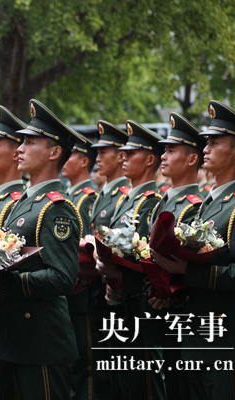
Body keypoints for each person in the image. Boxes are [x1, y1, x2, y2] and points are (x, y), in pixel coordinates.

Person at [0, 99, 84, 400]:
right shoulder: (18, 205)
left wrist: (1, 280)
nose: (19, 148)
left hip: (40, 341)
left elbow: (62, 278)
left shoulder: (57, 208)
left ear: (55, 152)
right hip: (8, 337)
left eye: (30, 142)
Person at [152, 100, 235, 400]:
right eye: (206, 143)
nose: (206, 149)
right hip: (197, 335)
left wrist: (188, 271)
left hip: (229, 337)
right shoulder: (205, 206)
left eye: (214, 142)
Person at [96, 120, 165, 400]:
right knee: (125, 382)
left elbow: (149, 255)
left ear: (150, 160)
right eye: (122, 152)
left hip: (141, 303)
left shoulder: (150, 200)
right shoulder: (126, 198)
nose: (122, 157)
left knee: (144, 384)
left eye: (131, 153)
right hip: (122, 301)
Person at [146, 112, 206, 400]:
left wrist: (168, 289)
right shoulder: (166, 200)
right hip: (164, 314)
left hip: (185, 315)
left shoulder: (195, 206)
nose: (163, 156)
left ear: (192, 159)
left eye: (171, 150)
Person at [87, 120, 130, 400]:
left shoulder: (123, 196)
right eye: (97, 152)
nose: (98, 158)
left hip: (118, 292)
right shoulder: (106, 195)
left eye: (105, 152)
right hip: (98, 290)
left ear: (121, 155)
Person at [61, 137, 98, 400]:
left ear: (84, 161)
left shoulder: (87, 199)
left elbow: (87, 246)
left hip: (82, 291)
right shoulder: (70, 195)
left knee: (85, 363)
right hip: (69, 290)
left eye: (71, 155)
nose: (65, 160)